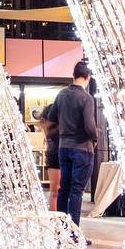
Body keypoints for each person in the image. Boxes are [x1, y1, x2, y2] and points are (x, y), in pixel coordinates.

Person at [48, 60, 98, 236]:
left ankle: (61, 230)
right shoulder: (86, 98)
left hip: (64, 148)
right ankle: (74, 233)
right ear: (88, 77)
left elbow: (51, 116)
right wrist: (95, 137)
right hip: (82, 149)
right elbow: (89, 126)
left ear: (73, 75)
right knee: (77, 191)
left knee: (64, 189)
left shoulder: (61, 94)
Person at [39, 105, 61, 207]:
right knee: (55, 191)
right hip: (56, 160)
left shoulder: (52, 131)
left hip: (54, 160)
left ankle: (55, 216)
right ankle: (55, 217)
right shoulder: (56, 130)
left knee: (55, 191)